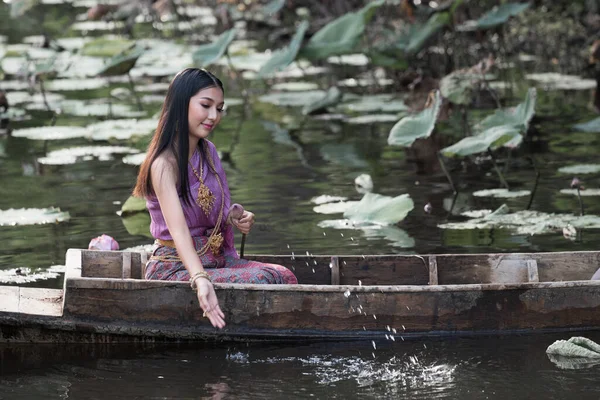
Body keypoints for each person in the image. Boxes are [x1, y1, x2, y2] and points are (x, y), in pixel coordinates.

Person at [133, 68, 298, 329]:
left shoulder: (207, 151)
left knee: (283, 275)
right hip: (176, 266)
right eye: (206, 105)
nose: (214, 116)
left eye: (219, 108)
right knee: (268, 279)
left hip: (215, 257)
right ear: (180, 104)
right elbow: (178, 231)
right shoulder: (164, 165)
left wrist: (233, 217)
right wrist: (200, 279)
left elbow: (211, 207)